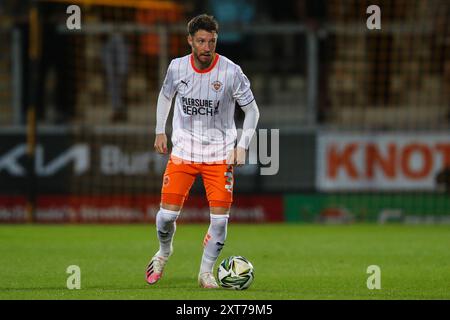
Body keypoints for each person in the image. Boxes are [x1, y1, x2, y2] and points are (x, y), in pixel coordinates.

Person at [145, 14, 260, 289]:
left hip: (220, 155)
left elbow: (252, 110)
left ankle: (206, 273)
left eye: (211, 41)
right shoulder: (177, 68)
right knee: (166, 217)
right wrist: (160, 130)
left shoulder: (231, 72)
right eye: (201, 41)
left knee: (220, 222)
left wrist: (241, 147)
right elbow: (165, 96)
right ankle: (164, 252)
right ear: (190, 41)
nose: (207, 47)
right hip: (184, 151)